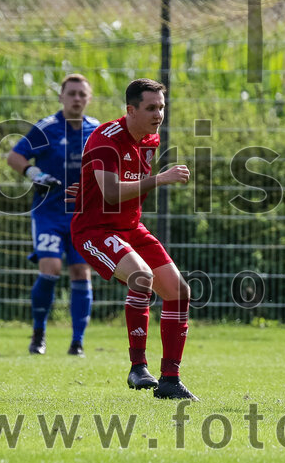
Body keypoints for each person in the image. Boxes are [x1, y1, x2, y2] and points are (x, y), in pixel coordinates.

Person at [71, 78, 198, 400]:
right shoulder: (105, 139)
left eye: (162, 108)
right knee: (141, 277)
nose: (159, 114)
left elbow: (115, 183)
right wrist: (159, 179)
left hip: (130, 227)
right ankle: (138, 367)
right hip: (96, 230)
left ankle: (170, 379)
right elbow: (112, 193)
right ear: (131, 109)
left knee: (179, 291)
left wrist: (88, 187)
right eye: (151, 108)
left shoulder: (150, 138)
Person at [7, 74, 99, 356]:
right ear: (61, 97)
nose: (76, 99)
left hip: (82, 216)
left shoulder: (97, 130)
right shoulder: (46, 128)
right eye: (71, 93)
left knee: (81, 271)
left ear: (89, 98)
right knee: (51, 268)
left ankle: (77, 342)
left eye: (81, 94)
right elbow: (14, 156)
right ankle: (38, 334)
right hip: (48, 213)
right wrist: (35, 173)